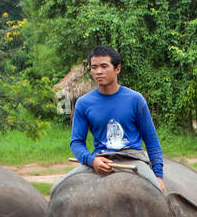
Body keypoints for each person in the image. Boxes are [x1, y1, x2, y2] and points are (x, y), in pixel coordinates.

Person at [69, 45, 166, 194]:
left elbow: (151, 140)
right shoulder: (83, 103)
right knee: (59, 188)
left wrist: (158, 176)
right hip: (100, 159)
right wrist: (92, 161)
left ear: (117, 69)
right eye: (94, 67)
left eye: (104, 66)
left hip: (132, 159)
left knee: (160, 196)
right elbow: (76, 142)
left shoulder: (135, 99)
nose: (98, 71)